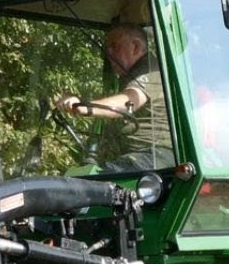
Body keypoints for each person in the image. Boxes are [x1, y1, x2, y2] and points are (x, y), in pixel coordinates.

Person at [55, 24, 173, 171]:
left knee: (101, 185)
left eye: (115, 47)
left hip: (156, 156)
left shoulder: (149, 69)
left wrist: (85, 107)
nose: (109, 53)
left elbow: (130, 101)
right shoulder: (129, 75)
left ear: (136, 47)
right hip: (135, 156)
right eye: (107, 48)